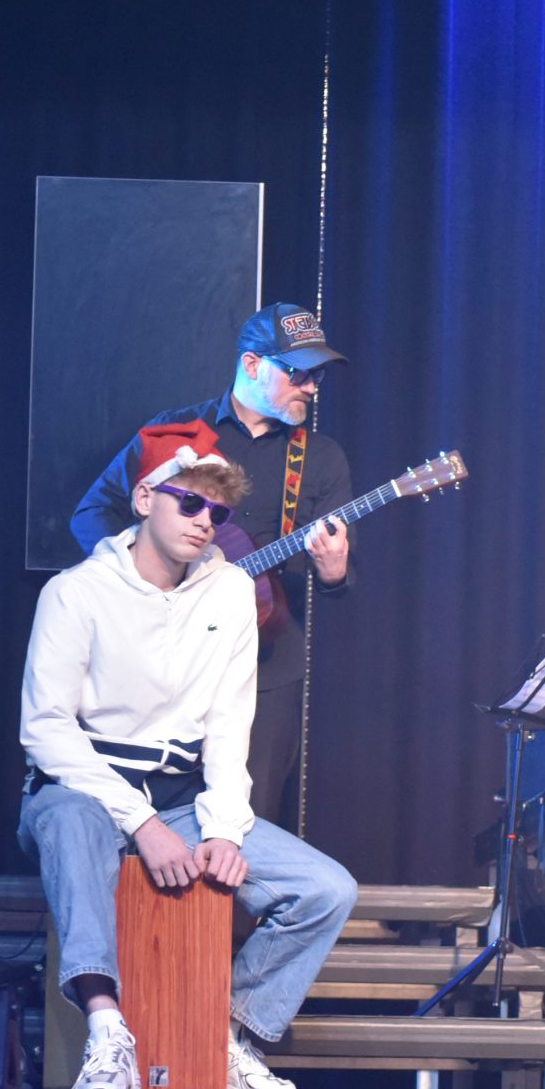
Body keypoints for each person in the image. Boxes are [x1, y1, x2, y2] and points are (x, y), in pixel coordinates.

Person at [22, 425, 358, 1089]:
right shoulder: (75, 591)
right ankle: (107, 1033)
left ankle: (223, 1036)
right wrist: (142, 824)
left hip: (181, 796)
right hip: (84, 788)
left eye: (218, 510)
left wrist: (226, 829)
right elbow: (46, 730)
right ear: (145, 499)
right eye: (190, 502)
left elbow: (230, 725)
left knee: (326, 889)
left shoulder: (230, 590)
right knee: (71, 821)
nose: (205, 520)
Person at [73, 303, 354, 829]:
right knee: (140, 813)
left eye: (317, 376)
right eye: (298, 373)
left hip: (264, 664)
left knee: (246, 822)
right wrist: (136, 584)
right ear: (252, 365)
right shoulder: (175, 432)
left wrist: (334, 572)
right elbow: (92, 513)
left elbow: (338, 577)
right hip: (161, 653)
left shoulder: (321, 457)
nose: (312, 387)